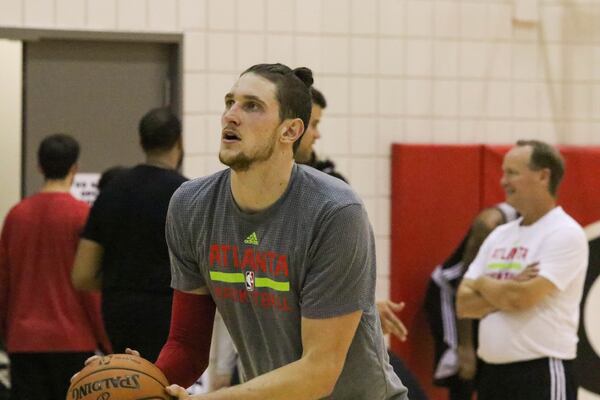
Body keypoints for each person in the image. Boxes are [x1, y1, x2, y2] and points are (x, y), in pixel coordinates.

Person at [153, 63, 408, 399]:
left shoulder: (335, 212)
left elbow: (318, 371)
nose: (230, 115)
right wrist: (142, 385)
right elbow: (187, 345)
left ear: (290, 131)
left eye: (252, 106)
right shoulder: (191, 206)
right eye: (230, 102)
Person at [456, 140, 588, 400]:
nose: (503, 181)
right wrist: (509, 286)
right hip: (492, 375)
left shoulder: (564, 232)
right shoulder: (499, 236)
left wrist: (482, 283)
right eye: (503, 172)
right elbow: (463, 303)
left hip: (541, 373)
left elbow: (520, 299)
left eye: (513, 173)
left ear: (543, 176)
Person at [0, 134, 111, 400]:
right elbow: (90, 287)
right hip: (74, 340)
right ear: (75, 167)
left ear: (39, 167)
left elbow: (3, 283)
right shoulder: (82, 214)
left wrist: (6, 333)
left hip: (24, 341)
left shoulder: (17, 215)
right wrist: (106, 340)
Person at [72, 108, 187, 363]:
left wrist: (122, 282)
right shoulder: (186, 193)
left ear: (141, 142)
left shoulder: (112, 190)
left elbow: (82, 275)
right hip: (169, 311)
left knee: (124, 385)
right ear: (180, 142)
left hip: (118, 309)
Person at [424, 203, 517, 400]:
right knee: (464, 368)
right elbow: (464, 284)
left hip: (484, 295)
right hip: (450, 294)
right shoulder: (490, 223)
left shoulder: (539, 227)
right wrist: (465, 346)